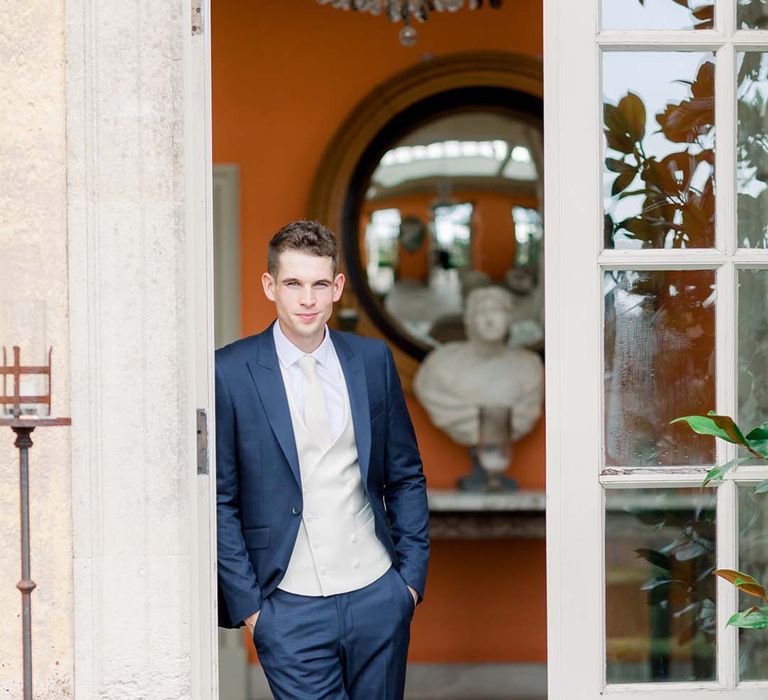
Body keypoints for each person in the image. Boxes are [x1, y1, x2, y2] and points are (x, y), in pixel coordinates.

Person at [215, 220, 430, 700]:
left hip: (378, 592)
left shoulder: (372, 361)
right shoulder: (229, 371)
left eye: (318, 284)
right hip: (287, 606)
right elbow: (220, 500)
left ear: (337, 287)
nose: (307, 299)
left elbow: (406, 475)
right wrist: (253, 609)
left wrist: (408, 584)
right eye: (293, 284)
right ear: (270, 286)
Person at [413, 286, 544, 447]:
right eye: (482, 311)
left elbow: (525, 414)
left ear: (510, 318)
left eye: (498, 310)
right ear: (468, 319)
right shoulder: (440, 365)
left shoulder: (529, 367)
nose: (490, 319)